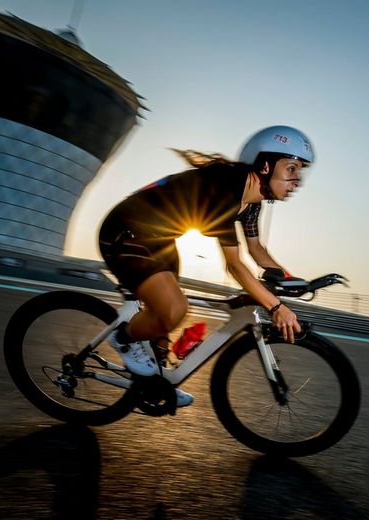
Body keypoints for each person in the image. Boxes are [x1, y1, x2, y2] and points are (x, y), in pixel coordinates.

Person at [97, 125, 313, 407]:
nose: (298, 181)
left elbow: (257, 251)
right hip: (125, 232)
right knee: (173, 309)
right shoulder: (227, 188)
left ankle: (156, 382)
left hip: (159, 240)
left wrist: (293, 280)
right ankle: (123, 339)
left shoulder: (251, 203)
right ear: (265, 166)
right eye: (291, 169)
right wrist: (276, 307)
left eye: (301, 171)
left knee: (162, 333)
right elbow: (234, 265)